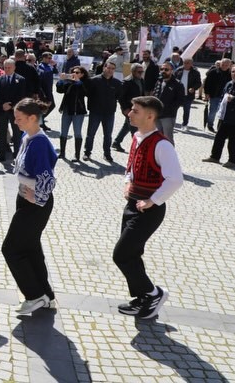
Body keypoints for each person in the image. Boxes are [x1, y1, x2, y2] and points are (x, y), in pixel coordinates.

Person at [113, 96, 183, 319]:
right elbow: (131, 166)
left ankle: (153, 293)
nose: (129, 113)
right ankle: (142, 299)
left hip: (149, 211)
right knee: (132, 254)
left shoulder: (162, 145)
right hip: (132, 204)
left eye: (135, 111)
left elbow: (175, 179)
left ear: (150, 116)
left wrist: (153, 200)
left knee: (121, 255)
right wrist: (127, 183)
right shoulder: (136, 136)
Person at [2, 98, 58, 314]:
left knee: (11, 249)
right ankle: (46, 295)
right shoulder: (29, 137)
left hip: (35, 203)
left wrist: (37, 197)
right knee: (31, 248)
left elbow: (48, 178)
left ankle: (34, 295)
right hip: (26, 198)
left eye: (19, 119)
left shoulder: (40, 142)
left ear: (33, 118)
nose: (15, 122)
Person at [202, 64, 235, 168]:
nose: (234, 74)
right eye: (232, 72)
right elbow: (223, 97)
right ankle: (215, 156)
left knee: (234, 140)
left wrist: (234, 99)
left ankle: (233, 161)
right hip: (225, 116)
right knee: (219, 137)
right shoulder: (229, 84)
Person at [83, 61, 122, 162]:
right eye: (108, 68)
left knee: (108, 135)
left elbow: (118, 96)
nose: (110, 70)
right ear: (104, 68)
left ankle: (107, 154)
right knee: (90, 134)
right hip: (95, 112)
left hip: (109, 113)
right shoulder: (94, 80)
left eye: (113, 69)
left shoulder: (117, 83)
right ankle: (87, 153)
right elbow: (88, 94)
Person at [0, 59, 27, 163]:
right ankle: (2, 155)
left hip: (15, 111)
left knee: (16, 133)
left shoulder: (21, 79)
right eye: (5, 67)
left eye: (9, 67)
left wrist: (11, 105)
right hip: (2, 109)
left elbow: (21, 95)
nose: (7, 69)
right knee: (2, 133)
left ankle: (17, 154)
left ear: (14, 68)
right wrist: (3, 104)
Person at [55, 66, 89, 161]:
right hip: (66, 110)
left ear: (82, 74)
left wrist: (78, 81)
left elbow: (85, 92)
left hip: (78, 111)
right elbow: (59, 90)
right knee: (63, 132)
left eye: (77, 72)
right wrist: (61, 80)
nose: (74, 74)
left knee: (77, 133)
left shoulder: (84, 83)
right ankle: (62, 153)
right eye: (73, 72)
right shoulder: (68, 81)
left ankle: (77, 155)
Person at [112, 63, 146, 153]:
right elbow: (121, 97)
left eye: (142, 71)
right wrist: (125, 108)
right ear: (133, 72)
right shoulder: (126, 82)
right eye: (139, 72)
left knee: (127, 126)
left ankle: (116, 142)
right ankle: (137, 149)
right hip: (129, 109)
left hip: (138, 108)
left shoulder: (141, 80)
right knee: (134, 129)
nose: (141, 73)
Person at [151, 61, 185, 145]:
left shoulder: (178, 84)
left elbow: (180, 100)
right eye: (161, 69)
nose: (163, 71)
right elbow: (155, 95)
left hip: (168, 116)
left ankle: (170, 157)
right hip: (157, 115)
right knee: (157, 138)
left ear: (172, 70)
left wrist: (169, 109)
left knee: (167, 138)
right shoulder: (159, 81)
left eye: (166, 69)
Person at [203, 59, 232, 132]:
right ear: (220, 64)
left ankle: (220, 127)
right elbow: (207, 83)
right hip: (214, 94)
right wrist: (206, 93)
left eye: (226, 65)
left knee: (223, 112)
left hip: (226, 96)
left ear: (229, 66)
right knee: (213, 111)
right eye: (223, 65)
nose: (224, 66)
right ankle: (210, 125)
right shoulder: (213, 72)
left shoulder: (231, 74)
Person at [174, 58, 202, 131]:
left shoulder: (195, 72)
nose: (185, 64)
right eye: (184, 63)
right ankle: (172, 123)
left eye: (187, 63)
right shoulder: (178, 70)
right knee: (173, 109)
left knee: (186, 110)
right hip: (177, 94)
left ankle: (185, 124)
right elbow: (173, 80)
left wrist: (193, 88)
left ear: (191, 64)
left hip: (188, 95)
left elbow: (199, 83)